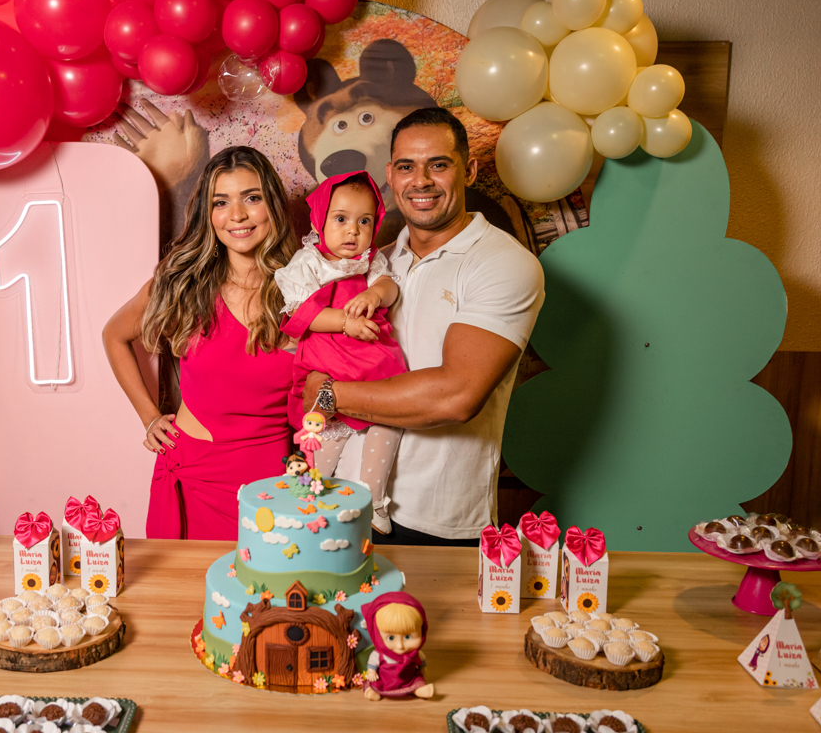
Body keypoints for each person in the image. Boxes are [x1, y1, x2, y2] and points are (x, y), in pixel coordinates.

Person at [303, 108, 545, 546]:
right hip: (343, 504)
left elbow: (455, 395)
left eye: (438, 164)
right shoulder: (373, 264)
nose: (421, 181)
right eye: (406, 167)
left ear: (469, 171)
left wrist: (328, 395)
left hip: (437, 520)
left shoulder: (502, 263)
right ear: (390, 177)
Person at [103, 146, 300, 540]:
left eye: (252, 198)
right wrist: (149, 416)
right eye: (220, 202)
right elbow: (115, 335)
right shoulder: (182, 283)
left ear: (273, 206)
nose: (237, 215)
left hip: (274, 482)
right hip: (192, 474)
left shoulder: (305, 286)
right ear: (207, 214)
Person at [274, 171, 407, 534]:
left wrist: (376, 293)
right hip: (328, 356)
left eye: (364, 221)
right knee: (325, 429)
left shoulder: (371, 261)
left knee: (388, 418)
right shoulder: (308, 262)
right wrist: (346, 323)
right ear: (319, 222)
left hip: (371, 356)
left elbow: (390, 286)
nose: (353, 231)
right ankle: (311, 493)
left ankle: (374, 497)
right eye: (341, 219)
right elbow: (302, 313)